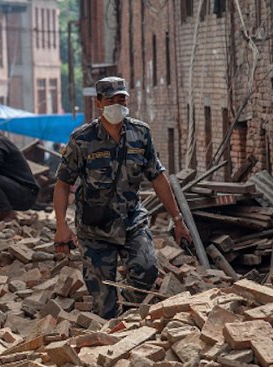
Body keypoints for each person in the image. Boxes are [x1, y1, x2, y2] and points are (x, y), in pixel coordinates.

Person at [53, 76, 192, 319]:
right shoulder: (82, 139)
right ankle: (112, 329)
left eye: (122, 99)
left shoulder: (140, 133)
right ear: (99, 103)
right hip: (94, 227)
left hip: (131, 219)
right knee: (103, 306)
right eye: (111, 100)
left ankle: (127, 313)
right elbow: (63, 183)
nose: (117, 104)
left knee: (147, 270)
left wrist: (178, 219)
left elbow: (157, 177)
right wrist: (61, 226)